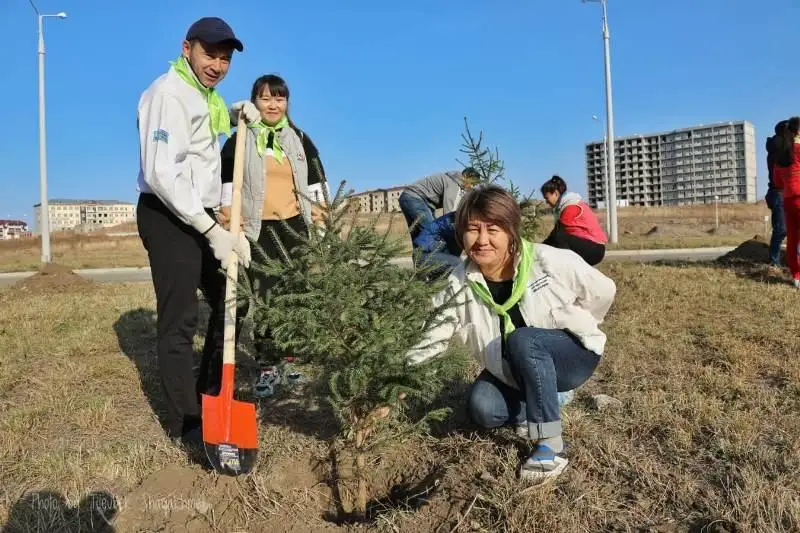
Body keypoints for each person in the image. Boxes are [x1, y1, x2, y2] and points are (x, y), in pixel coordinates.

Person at [407, 185, 616, 482]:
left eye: (492, 229)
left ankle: (550, 445)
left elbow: (604, 290)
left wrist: (584, 326)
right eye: (472, 230)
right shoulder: (459, 282)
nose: (481, 240)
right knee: (483, 409)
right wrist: (397, 384)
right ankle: (537, 400)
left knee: (524, 339)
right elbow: (434, 335)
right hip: (512, 367)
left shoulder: (548, 260)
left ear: (510, 231)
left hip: (571, 356)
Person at [135, 17, 251, 450]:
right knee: (180, 317)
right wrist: (208, 228)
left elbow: (208, 163)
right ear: (187, 49)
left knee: (232, 298)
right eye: (210, 54)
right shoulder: (168, 95)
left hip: (201, 215)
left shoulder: (208, 99)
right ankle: (188, 422)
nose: (218, 65)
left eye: (225, 59)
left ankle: (209, 393)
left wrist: (223, 218)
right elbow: (162, 174)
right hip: (167, 215)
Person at [220, 74, 329, 397]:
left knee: (293, 296)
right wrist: (230, 223)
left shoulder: (299, 139)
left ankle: (291, 360)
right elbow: (227, 187)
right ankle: (267, 365)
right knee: (266, 298)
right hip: (258, 229)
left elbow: (316, 182)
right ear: (254, 102)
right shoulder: (239, 141)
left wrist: (321, 220)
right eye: (266, 98)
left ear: (287, 103)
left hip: (294, 226)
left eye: (279, 99)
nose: (273, 104)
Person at [399, 168, 480, 258]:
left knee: (419, 238)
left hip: (409, 198)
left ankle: (420, 268)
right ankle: (439, 265)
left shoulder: (452, 179)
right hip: (415, 199)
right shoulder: (454, 184)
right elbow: (450, 214)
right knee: (431, 233)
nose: (472, 187)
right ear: (466, 177)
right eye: (472, 183)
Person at [541, 176, 607, 266]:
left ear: (556, 193)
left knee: (559, 238)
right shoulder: (567, 205)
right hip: (591, 246)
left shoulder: (570, 207)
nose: (546, 201)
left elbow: (555, 235)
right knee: (558, 239)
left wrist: (540, 249)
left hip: (595, 249)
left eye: (547, 198)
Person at [772, 116, 800, 288]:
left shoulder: (780, 157)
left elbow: (778, 183)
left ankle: (797, 276)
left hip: (789, 201)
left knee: (793, 239)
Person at [412, 212, 463, 280]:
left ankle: (431, 278)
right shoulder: (454, 221)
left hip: (433, 254)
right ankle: (425, 275)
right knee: (458, 264)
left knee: (458, 263)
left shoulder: (459, 219)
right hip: (422, 255)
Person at [766, 120, 789, 267]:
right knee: (781, 230)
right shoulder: (778, 146)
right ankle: (774, 262)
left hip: (785, 193)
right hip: (778, 193)